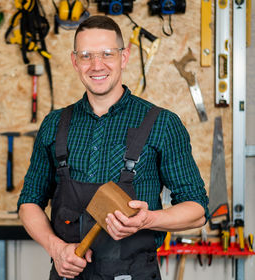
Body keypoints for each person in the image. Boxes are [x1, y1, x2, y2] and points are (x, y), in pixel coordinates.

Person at [18, 15, 209, 280]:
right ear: (75, 61)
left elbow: (198, 210)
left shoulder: (162, 124)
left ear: (125, 57)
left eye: (107, 53)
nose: (96, 65)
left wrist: (148, 219)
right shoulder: (54, 125)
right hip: (69, 274)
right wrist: (57, 249)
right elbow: (29, 203)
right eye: (86, 55)